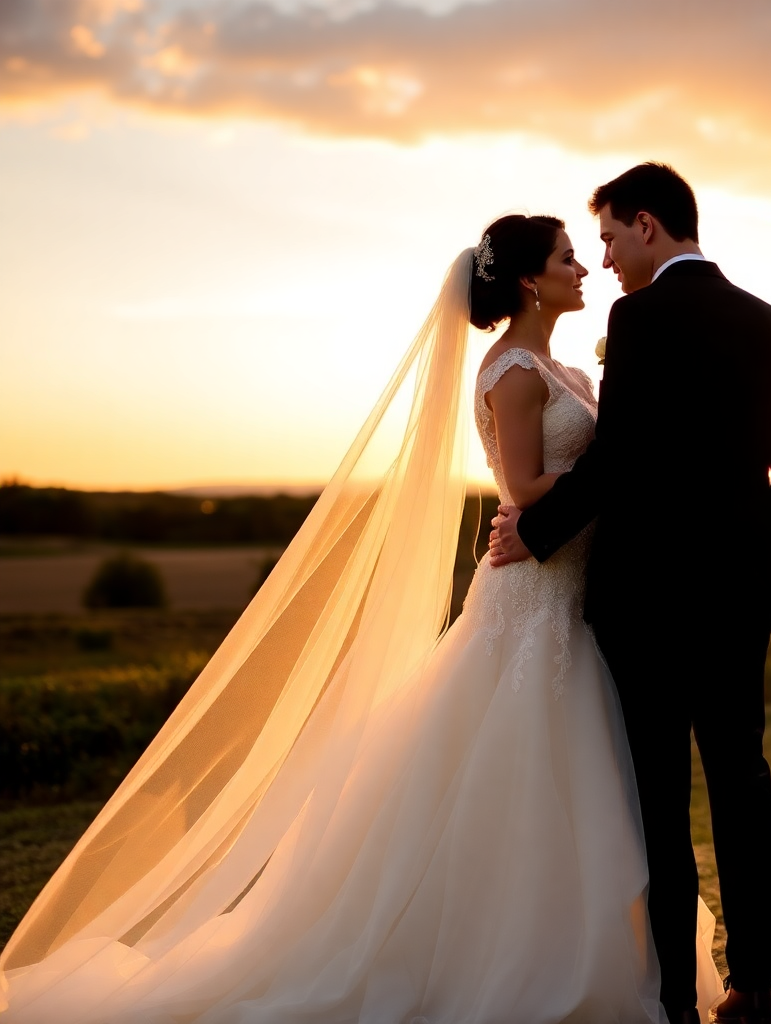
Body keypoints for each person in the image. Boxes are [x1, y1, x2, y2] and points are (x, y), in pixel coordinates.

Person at [0, 213, 723, 1023]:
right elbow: (522, 490)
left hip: (575, 599)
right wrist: (616, 479)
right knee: (524, 777)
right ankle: (506, 968)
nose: (583, 268)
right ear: (528, 280)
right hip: (533, 604)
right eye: (565, 258)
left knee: (584, 789)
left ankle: (593, 962)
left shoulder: (567, 371)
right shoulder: (514, 370)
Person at [491, 164, 771, 1024]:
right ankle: (752, 987)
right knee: (742, 780)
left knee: (658, 797)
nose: (601, 257)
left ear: (646, 224)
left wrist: (533, 533)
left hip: (641, 600)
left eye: (606, 236)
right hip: (737, 601)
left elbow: (619, 458)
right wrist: (762, 569)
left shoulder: (638, 320)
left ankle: (676, 995)